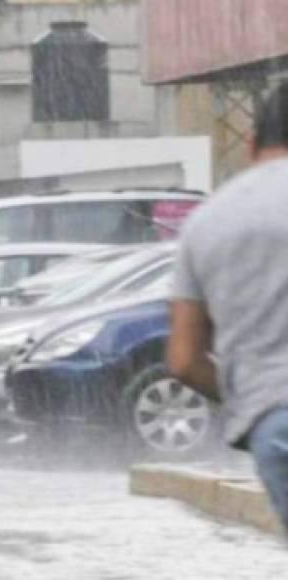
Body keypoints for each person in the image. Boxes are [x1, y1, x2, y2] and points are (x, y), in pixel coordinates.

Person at [168, 81, 288, 532]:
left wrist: (254, 404)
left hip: (272, 426)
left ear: (253, 145)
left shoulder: (206, 220)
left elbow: (182, 360)